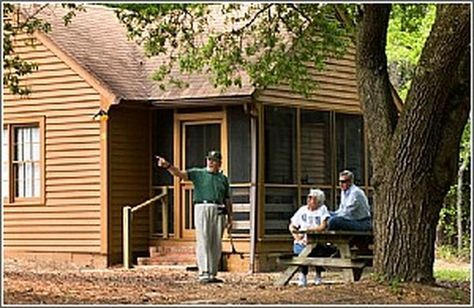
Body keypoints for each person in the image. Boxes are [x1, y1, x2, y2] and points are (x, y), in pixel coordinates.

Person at [156, 150, 232, 284]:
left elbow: (227, 199)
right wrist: (167, 166)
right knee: (203, 239)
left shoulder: (223, 178)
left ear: (219, 163)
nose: (210, 162)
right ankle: (204, 272)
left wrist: (230, 218)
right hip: (202, 206)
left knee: (216, 242)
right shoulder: (198, 173)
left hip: (219, 208)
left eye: (214, 160)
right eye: (209, 159)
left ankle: (212, 273)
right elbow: (180, 174)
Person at [289, 188, 333, 287]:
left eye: (311, 198)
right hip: (303, 241)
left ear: (318, 201)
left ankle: (318, 275)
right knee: (301, 251)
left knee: (318, 250)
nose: (308, 200)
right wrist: (296, 236)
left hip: (318, 241)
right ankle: (303, 275)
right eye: (308, 197)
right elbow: (292, 225)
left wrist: (309, 230)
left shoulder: (322, 209)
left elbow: (323, 226)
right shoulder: (302, 210)